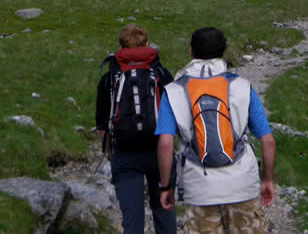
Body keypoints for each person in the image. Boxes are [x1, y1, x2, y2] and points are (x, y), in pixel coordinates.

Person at [156, 26, 275, 234]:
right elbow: (268, 140)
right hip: (242, 185)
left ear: (191, 51)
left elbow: (165, 143)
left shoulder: (174, 91)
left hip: (200, 188)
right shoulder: (242, 86)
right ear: (223, 52)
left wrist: (166, 186)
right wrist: (267, 179)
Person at [96, 23, 177, 234]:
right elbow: (174, 115)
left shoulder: (109, 78)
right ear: (147, 44)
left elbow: (102, 126)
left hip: (125, 154)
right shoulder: (161, 73)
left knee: (132, 221)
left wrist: (110, 152)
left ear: (120, 47)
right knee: (165, 211)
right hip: (159, 152)